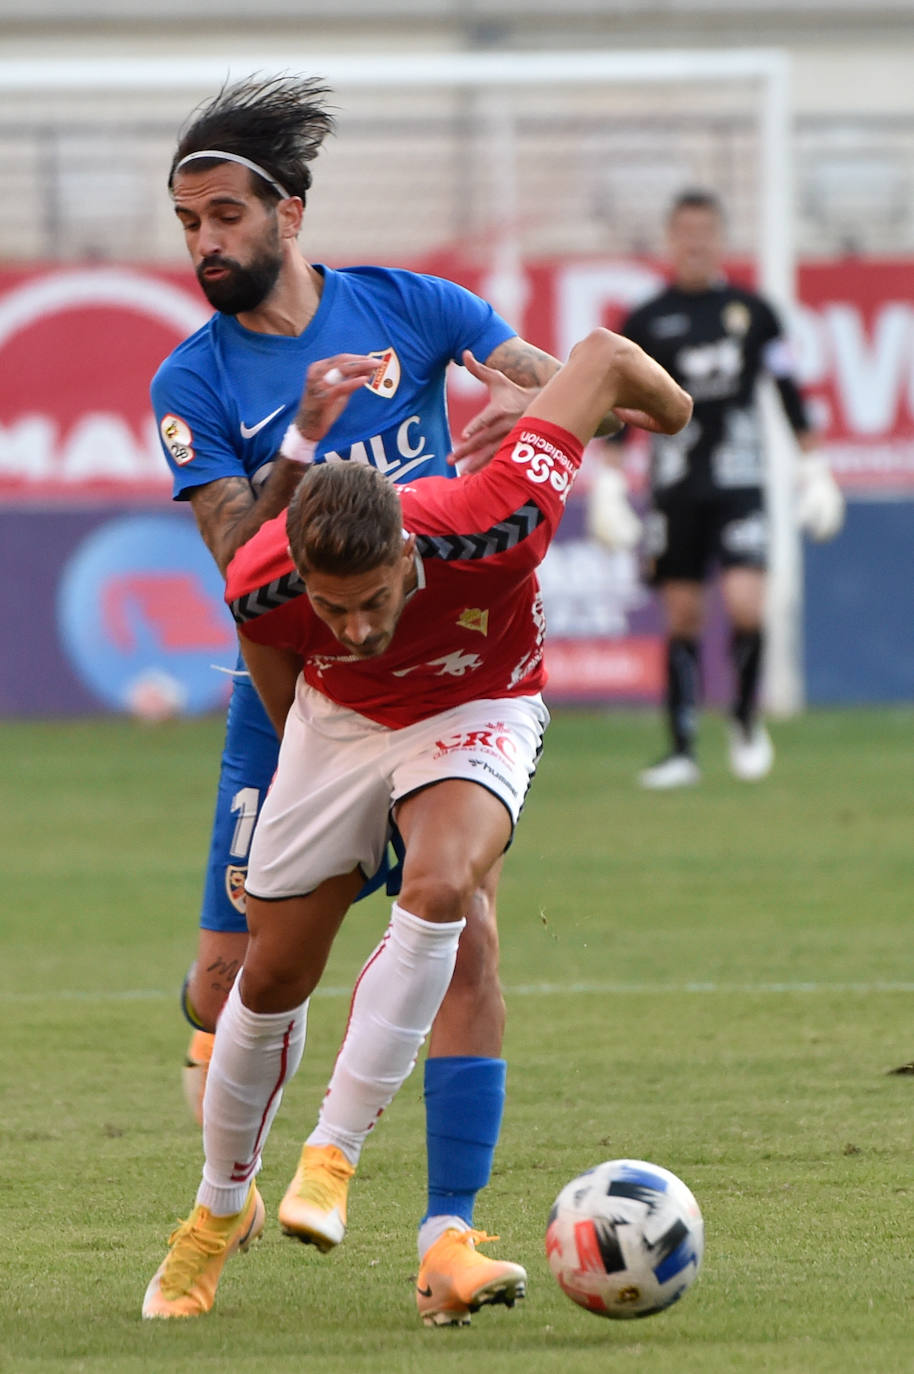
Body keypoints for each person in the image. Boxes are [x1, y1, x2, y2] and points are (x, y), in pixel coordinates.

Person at [151, 73, 622, 1320]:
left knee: (458, 917)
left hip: (436, 671)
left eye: (223, 216)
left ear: (286, 215)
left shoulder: (409, 306)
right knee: (232, 982)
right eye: (188, 222)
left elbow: (563, 385)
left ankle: (446, 1236)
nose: (205, 241)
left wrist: (529, 398)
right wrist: (303, 445)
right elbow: (240, 565)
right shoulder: (191, 386)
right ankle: (232, 1186)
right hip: (298, 692)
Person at [141, 325, 693, 1323]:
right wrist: (328, 795)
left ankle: (344, 1166)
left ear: (405, 549)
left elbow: (608, 359)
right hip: (335, 721)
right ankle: (215, 1217)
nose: (355, 622)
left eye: (371, 599)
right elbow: (273, 657)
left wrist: (661, 410)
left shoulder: (495, 516)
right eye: (333, 606)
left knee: (446, 894)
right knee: (267, 977)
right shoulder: (263, 577)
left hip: (477, 707)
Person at [589, 188, 844, 789]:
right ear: (671, 240)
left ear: (721, 238)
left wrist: (816, 469)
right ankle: (681, 747)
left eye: (706, 230)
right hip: (675, 487)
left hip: (741, 480)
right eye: (685, 230)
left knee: (747, 603)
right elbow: (623, 405)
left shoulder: (755, 313)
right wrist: (608, 483)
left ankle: (747, 719)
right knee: (681, 617)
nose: (696, 241)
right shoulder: (646, 319)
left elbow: (787, 392)